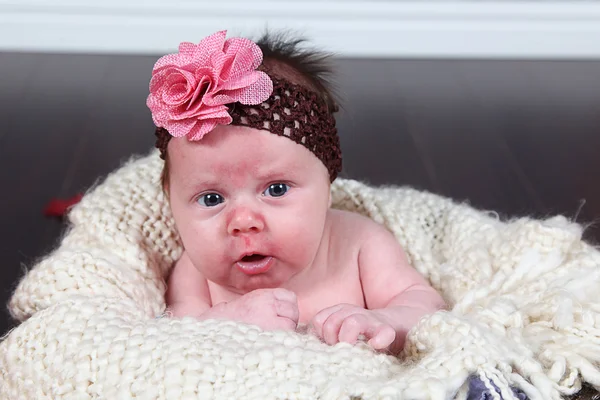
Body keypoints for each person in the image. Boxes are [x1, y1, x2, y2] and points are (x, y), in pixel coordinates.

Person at [149, 30, 446, 355]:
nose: (244, 221)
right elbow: (175, 343)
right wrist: (225, 323)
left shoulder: (359, 244)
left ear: (327, 187)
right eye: (211, 199)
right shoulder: (194, 272)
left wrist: (384, 321)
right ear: (171, 199)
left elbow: (422, 301)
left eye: (276, 189)